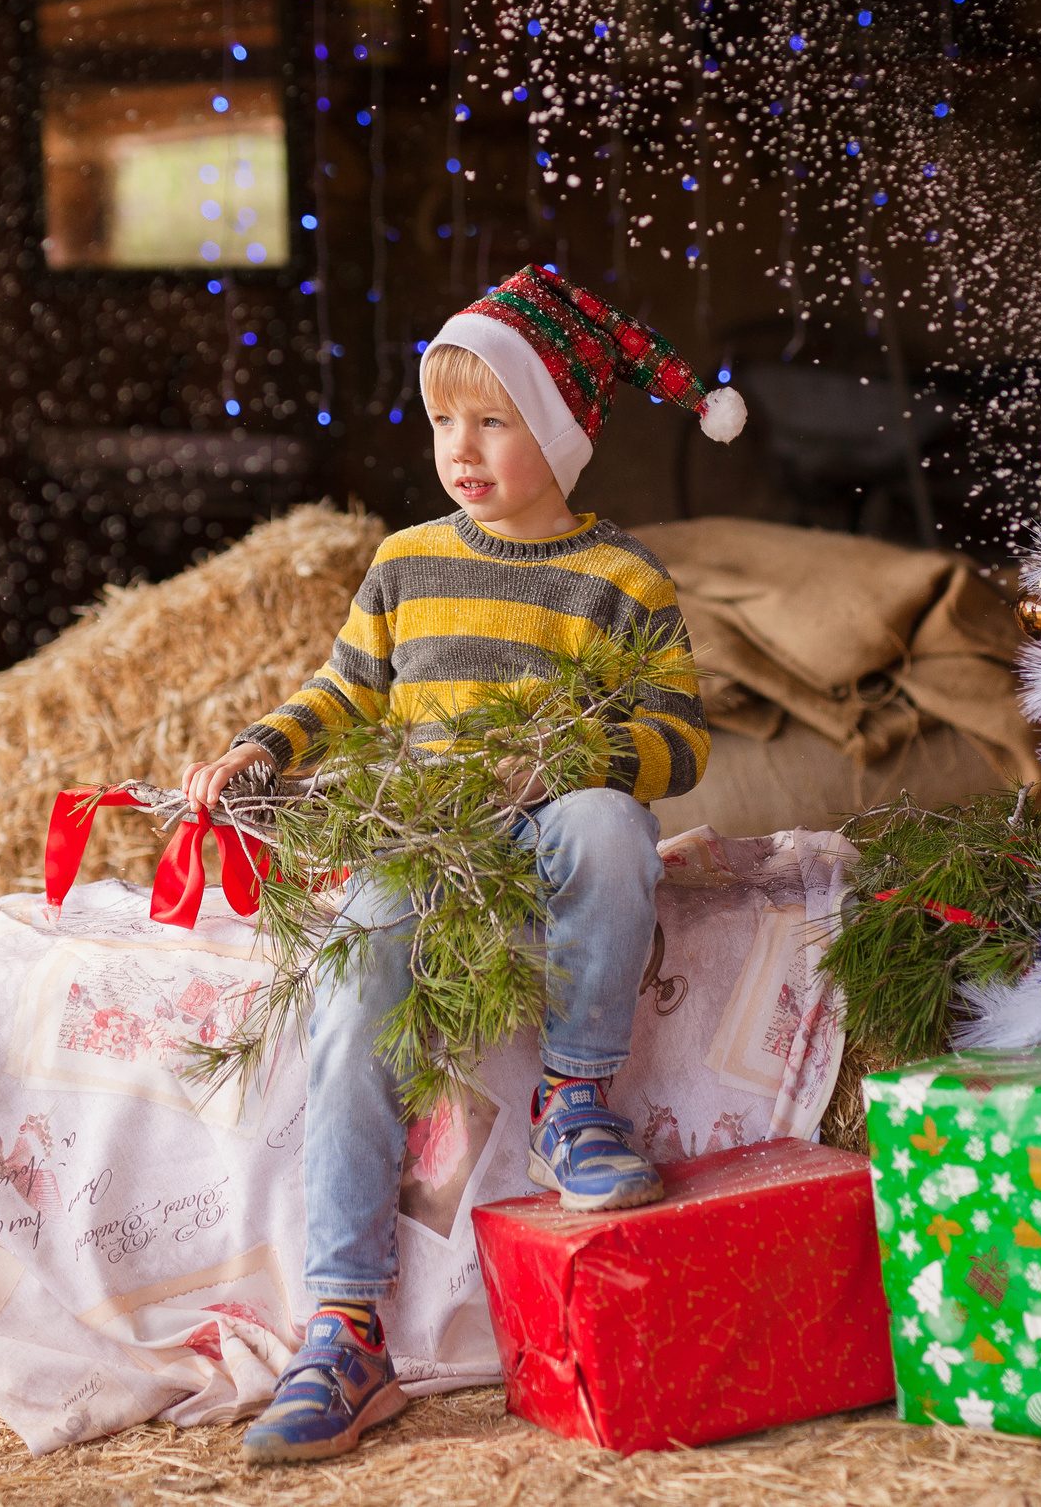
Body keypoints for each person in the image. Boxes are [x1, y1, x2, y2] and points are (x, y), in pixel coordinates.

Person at [177, 265, 747, 1464]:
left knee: (610, 823)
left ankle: (575, 1105)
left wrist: (564, 763)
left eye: (495, 419)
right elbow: (343, 691)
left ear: (558, 430)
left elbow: (680, 739)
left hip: (540, 832)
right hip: (425, 835)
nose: (462, 447)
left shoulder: (621, 580)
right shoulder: (405, 563)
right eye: (444, 420)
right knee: (353, 975)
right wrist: (256, 748)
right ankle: (344, 1327)